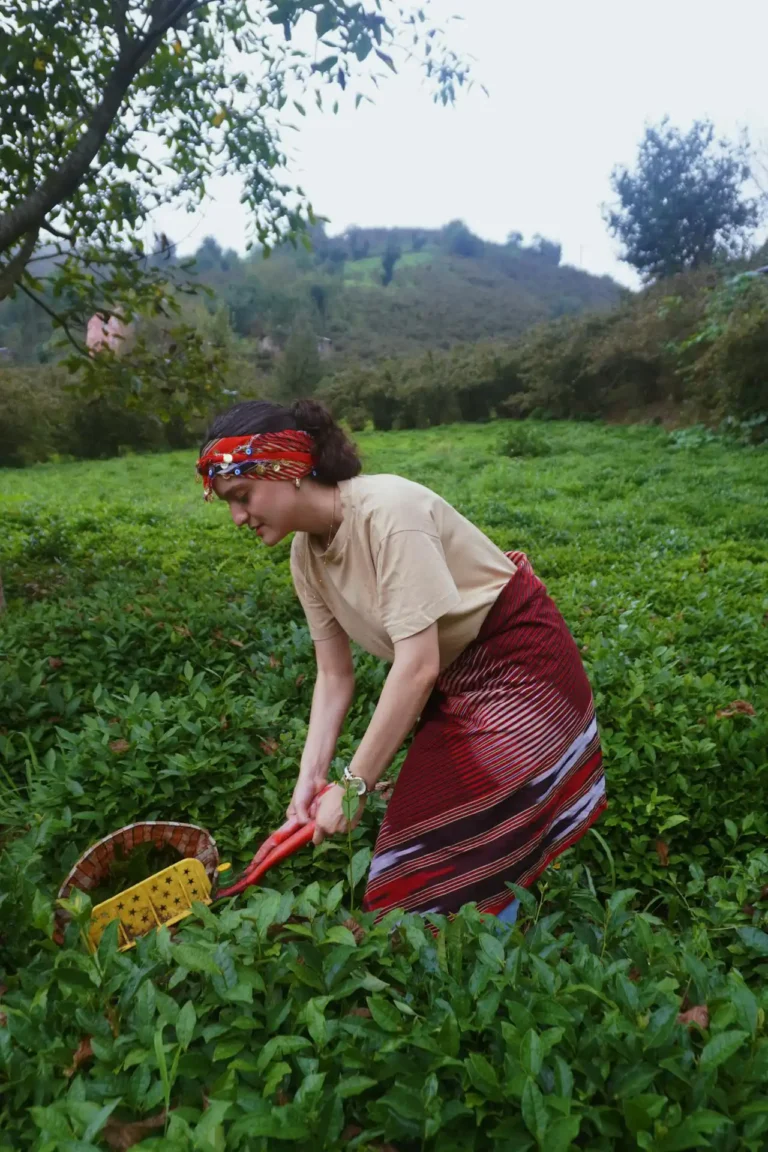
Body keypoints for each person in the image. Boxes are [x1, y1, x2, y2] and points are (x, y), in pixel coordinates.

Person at [196, 398, 606, 925]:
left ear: (288, 468)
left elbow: (416, 667)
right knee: (426, 842)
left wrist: (353, 786)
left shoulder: (388, 513)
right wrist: (310, 779)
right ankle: (484, 933)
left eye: (242, 496)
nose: (237, 517)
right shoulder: (305, 556)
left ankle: (485, 950)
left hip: (520, 664)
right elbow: (334, 675)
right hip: (454, 678)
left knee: (433, 848)